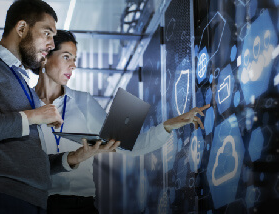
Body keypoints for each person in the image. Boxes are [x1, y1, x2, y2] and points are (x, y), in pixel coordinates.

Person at [0, 1, 118, 213]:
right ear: (22, 28)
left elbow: (30, 161)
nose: (52, 44)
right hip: (1, 200)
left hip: (36, 202)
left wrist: (72, 158)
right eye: (47, 33)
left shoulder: (21, 81)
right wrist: (33, 116)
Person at [34, 30, 210, 214]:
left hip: (81, 205)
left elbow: (132, 146)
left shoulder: (82, 101)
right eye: (66, 57)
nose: (73, 65)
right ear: (45, 57)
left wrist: (168, 126)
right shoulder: (24, 104)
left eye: (74, 59)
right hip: (36, 204)